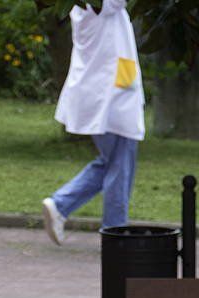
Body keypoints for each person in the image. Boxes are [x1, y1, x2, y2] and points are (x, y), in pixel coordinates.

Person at [41, 0, 144, 243]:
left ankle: (61, 204)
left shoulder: (84, 7)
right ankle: (115, 234)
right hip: (111, 98)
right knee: (120, 166)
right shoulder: (99, 5)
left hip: (110, 92)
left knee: (114, 162)